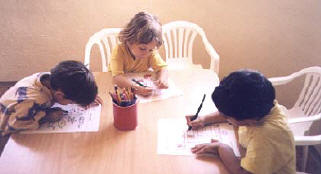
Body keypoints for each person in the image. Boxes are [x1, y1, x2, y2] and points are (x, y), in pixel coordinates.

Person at [186, 70, 296, 174]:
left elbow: (242, 172)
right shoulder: (263, 106)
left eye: (227, 116)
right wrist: (204, 119)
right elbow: (232, 112)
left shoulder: (265, 138)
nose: (223, 116)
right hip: (246, 154)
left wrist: (222, 148)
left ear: (248, 119)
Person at [0, 60, 98, 155]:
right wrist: (46, 117)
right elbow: (16, 126)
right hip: (6, 134)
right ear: (60, 95)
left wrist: (86, 96)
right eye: (72, 102)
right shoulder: (33, 101)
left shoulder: (50, 79)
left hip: (22, 109)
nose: (72, 104)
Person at [109, 11, 168, 96]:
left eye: (151, 50)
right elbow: (117, 78)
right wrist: (136, 89)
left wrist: (162, 80)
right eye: (142, 48)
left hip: (140, 86)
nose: (147, 53)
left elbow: (163, 68)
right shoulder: (119, 51)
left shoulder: (150, 51)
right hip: (119, 89)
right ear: (130, 41)